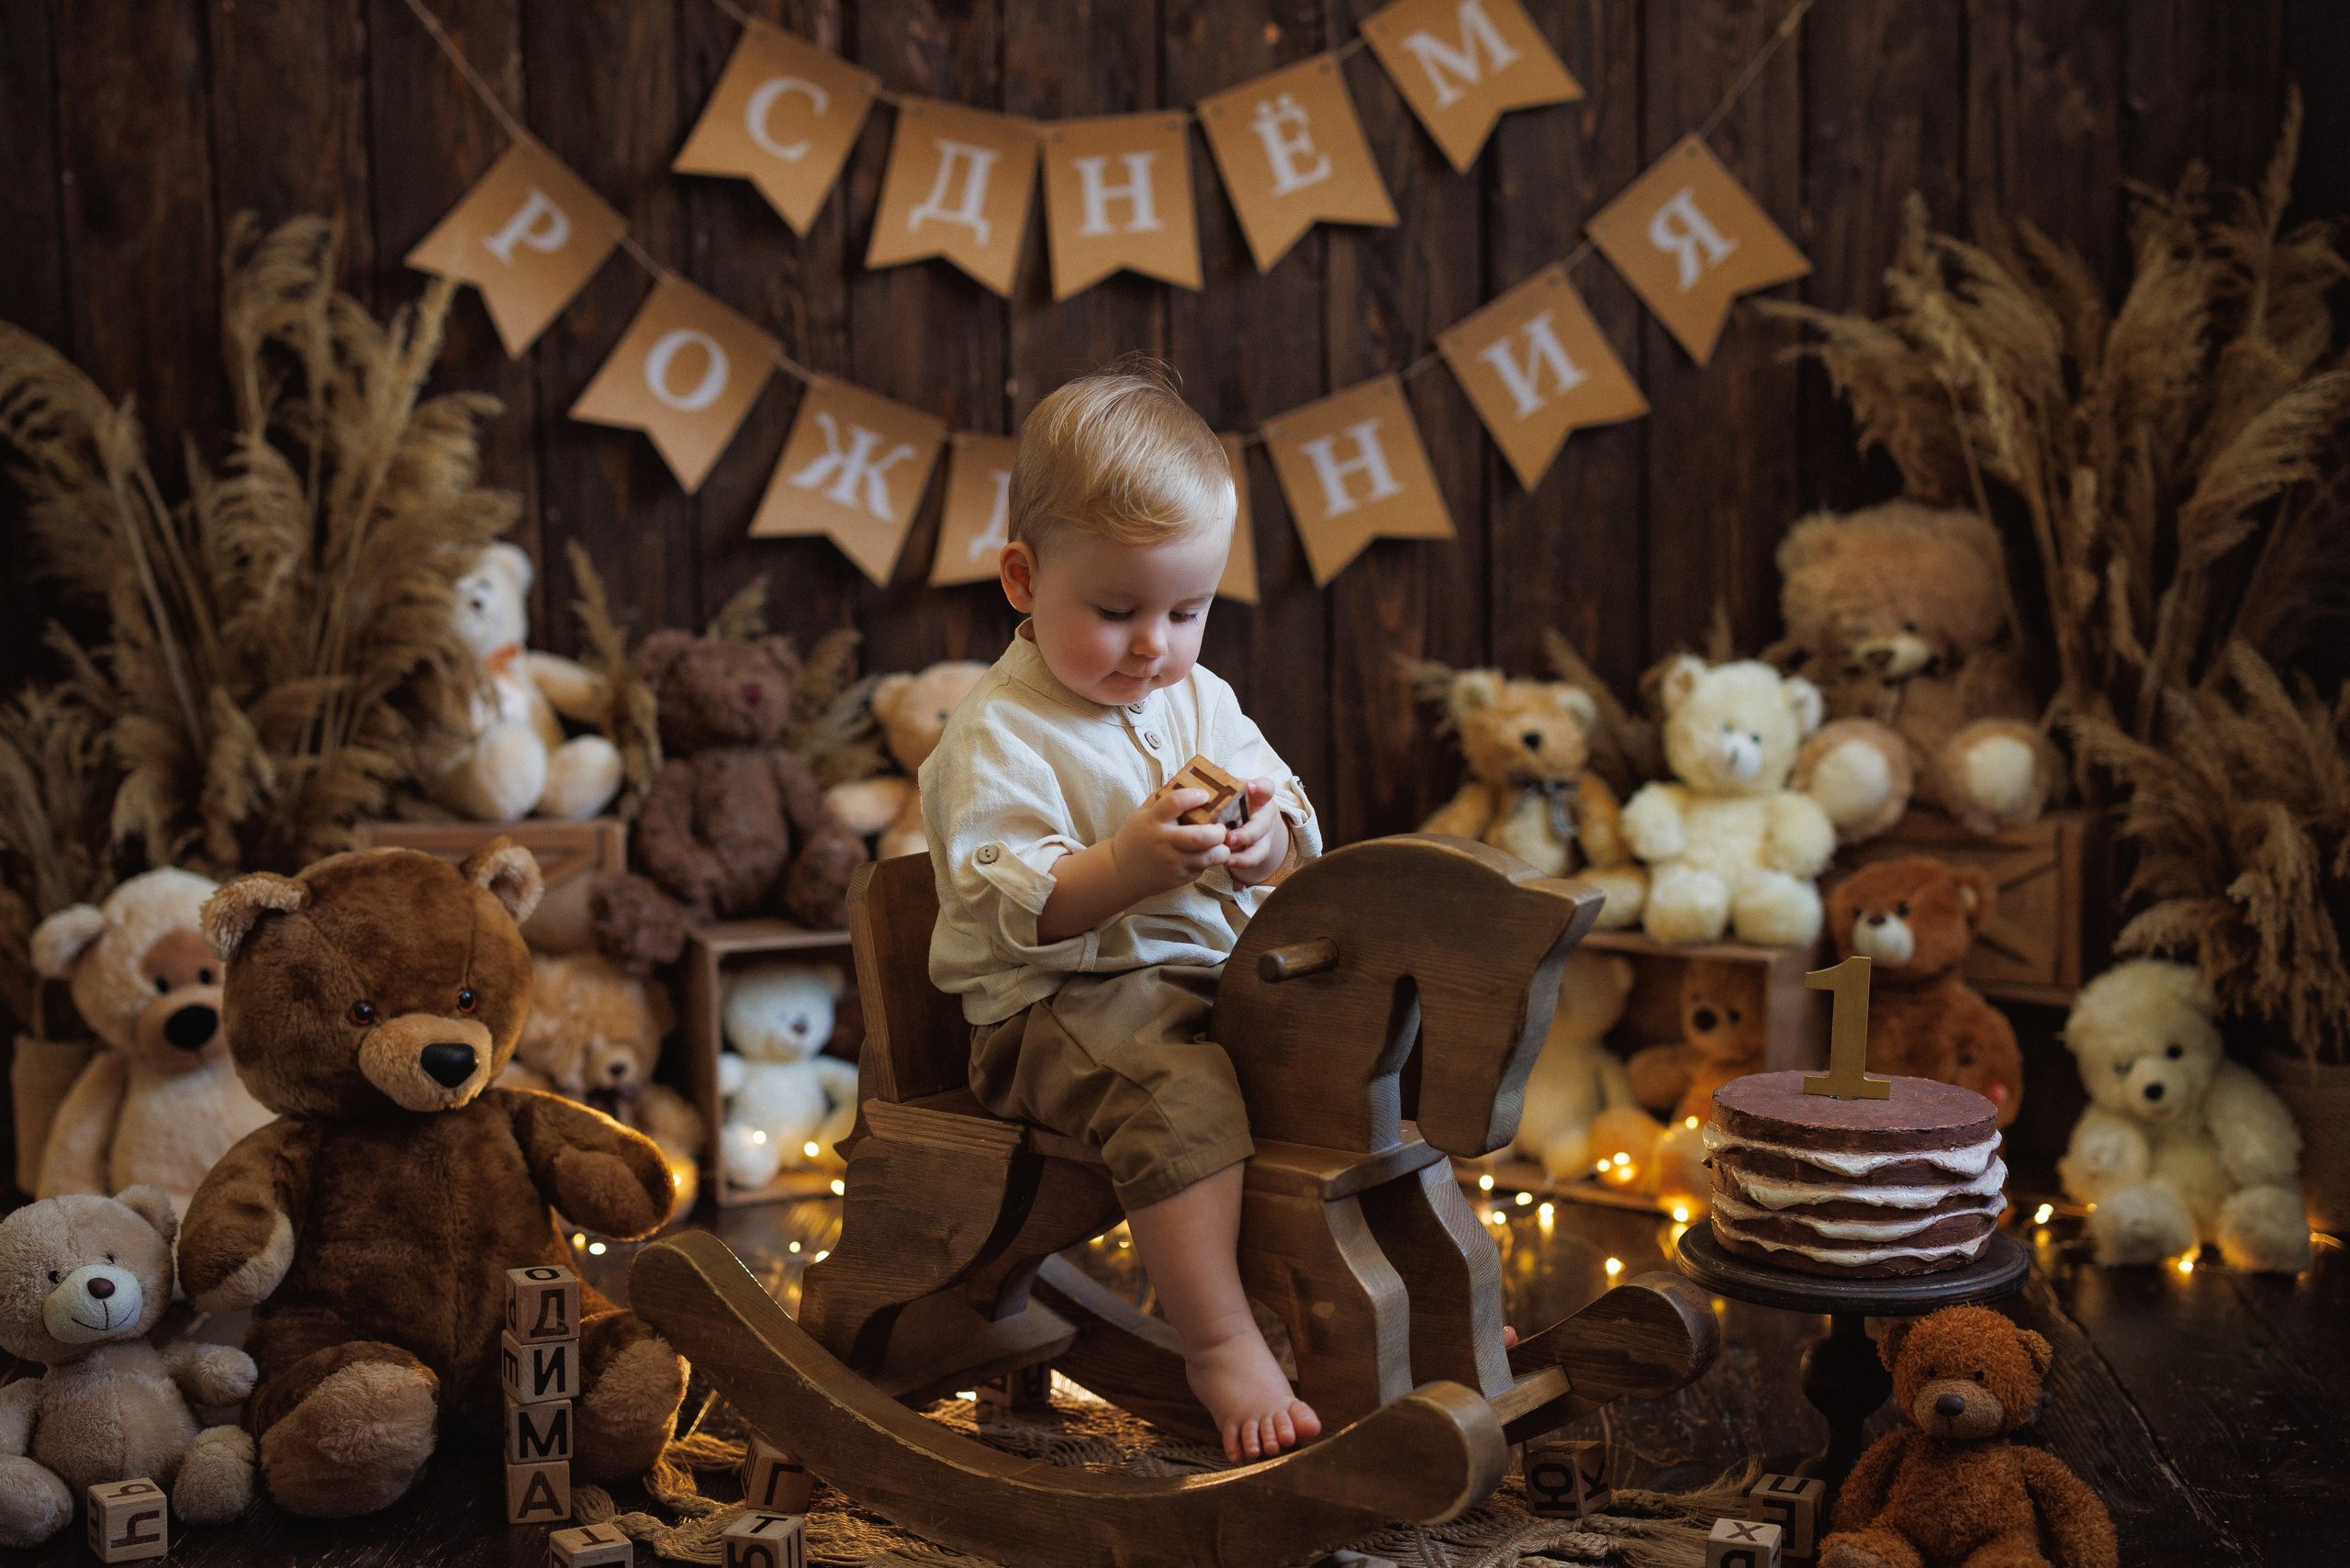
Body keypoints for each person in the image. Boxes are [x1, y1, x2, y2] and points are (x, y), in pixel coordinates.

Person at [921, 359, 1322, 1462]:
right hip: (1056, 1006)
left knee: (1344, 1057)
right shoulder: (997, 733)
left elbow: (1285, 805)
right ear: (1021, 578)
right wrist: (1127, 865)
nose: (1154, 645)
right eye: (1116, 611)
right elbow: (1026, 909)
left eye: (1186, 610)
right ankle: (1219, 1337)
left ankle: (1419, 1303)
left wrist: (1263, 839)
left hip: (1205, 981)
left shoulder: (1199, 694)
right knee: (1177, 1090)